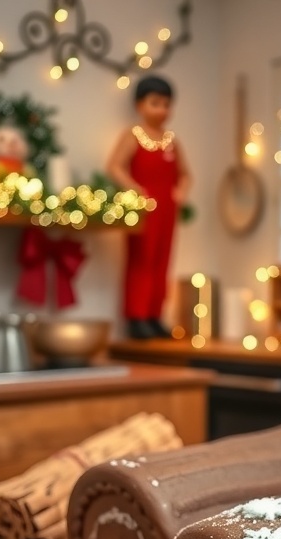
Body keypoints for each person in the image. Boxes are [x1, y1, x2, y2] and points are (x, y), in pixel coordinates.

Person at [106, 75, 192, 340]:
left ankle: (155, 315)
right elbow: (114, 166)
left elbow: (186, 173)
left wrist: (180, 193)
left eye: (167, 104)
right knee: (141, 259)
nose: (162, 110)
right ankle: (136, 316)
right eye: (156, 103)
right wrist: (135, 189)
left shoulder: (171, 141)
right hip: (144, 208)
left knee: (162, 260)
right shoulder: (133, 136)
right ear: (140, 105)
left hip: (167, 207)